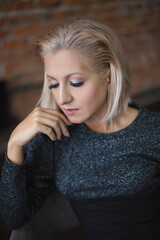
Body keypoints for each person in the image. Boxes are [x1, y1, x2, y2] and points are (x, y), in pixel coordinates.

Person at [0, 18, 160, 240]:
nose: (62, 97)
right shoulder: (54, 136)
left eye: (75, 82)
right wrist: (14, 144)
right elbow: (15, 220)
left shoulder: (154, 131)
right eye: (53, 84)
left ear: (110, 78)